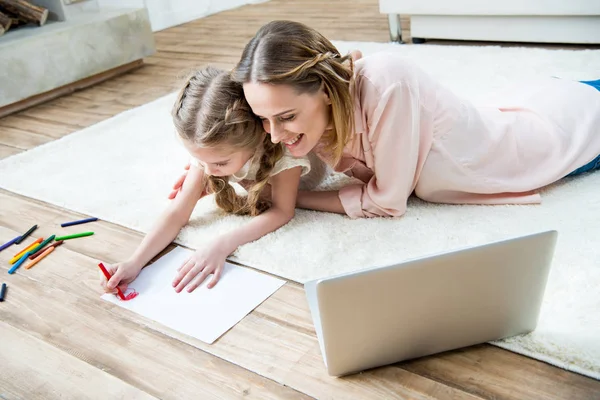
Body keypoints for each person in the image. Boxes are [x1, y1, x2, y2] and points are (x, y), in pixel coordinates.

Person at [171, 21, 600, 219]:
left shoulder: (389, 83)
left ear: (322, 90)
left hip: (555, 141)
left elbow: (386, 201)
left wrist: (275, 199)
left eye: (285, 118)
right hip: (520, 112)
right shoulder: (306, 118)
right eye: (264, 121)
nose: (276, 135)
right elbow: (285, 161)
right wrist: (219, 170)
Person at [100, 66, 325, 295]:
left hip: (307, 172)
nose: (208, 171)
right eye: (200, 160)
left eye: (220, 164)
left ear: (254, 139)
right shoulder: (211, 153)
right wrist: (135, 262)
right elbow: (178, 211)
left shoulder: (283, 148)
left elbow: (282, 210)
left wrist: (223, 243)